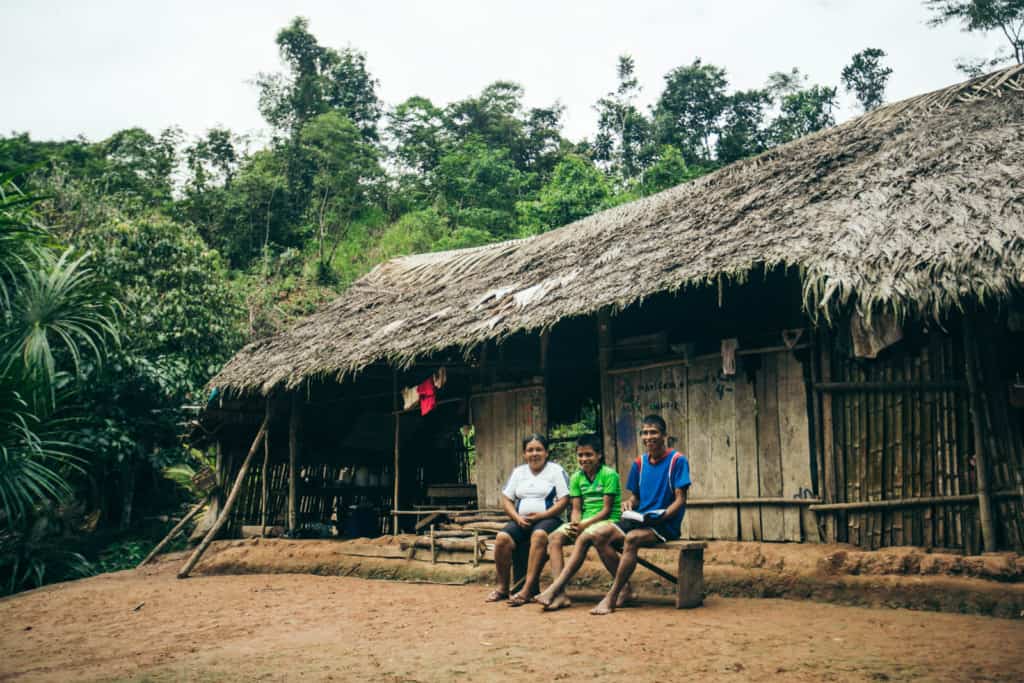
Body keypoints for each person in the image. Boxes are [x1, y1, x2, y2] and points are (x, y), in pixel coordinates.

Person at [535, 435, 622, 611]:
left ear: (599, 455)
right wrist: (576, 524)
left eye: (588, 455)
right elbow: (576, 508)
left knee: (586, 537)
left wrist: (584, 525)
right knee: (554, 538)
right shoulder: (576, 477)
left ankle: (554, 589)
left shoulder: (609, 475)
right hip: (584, 522)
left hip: (607, 521)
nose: (584, 459)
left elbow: (606, 510)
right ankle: (560, 595)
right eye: (580, 455)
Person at [486, 433, 570, 606]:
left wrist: (542, 516)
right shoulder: (519, 472)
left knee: (539, 534)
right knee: (502, 539)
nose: (534, 454)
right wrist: (516, 518)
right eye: (530, 450)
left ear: (547, 452)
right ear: (524, 454)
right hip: (522, 521)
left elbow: (563, 500)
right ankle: (503, 588)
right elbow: (507, 499)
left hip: (550, 519)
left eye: (539, 449)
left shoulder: (556, 471)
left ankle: (527, 589)